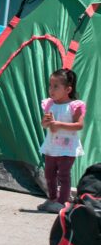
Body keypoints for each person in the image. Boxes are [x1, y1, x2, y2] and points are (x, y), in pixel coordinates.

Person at [38, 68, 86, 213]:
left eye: (56, 86)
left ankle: (62, 202)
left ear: (68, 89)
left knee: (63, 174)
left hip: (67, 147)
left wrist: (59, 125)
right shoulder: (49, 104)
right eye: (50, 85)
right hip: (52, 146)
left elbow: (79, 125)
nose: (51, 90)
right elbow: (45, 124)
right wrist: (45, 122)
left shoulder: (74, 106)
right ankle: (52, 199)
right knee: (49, 174)